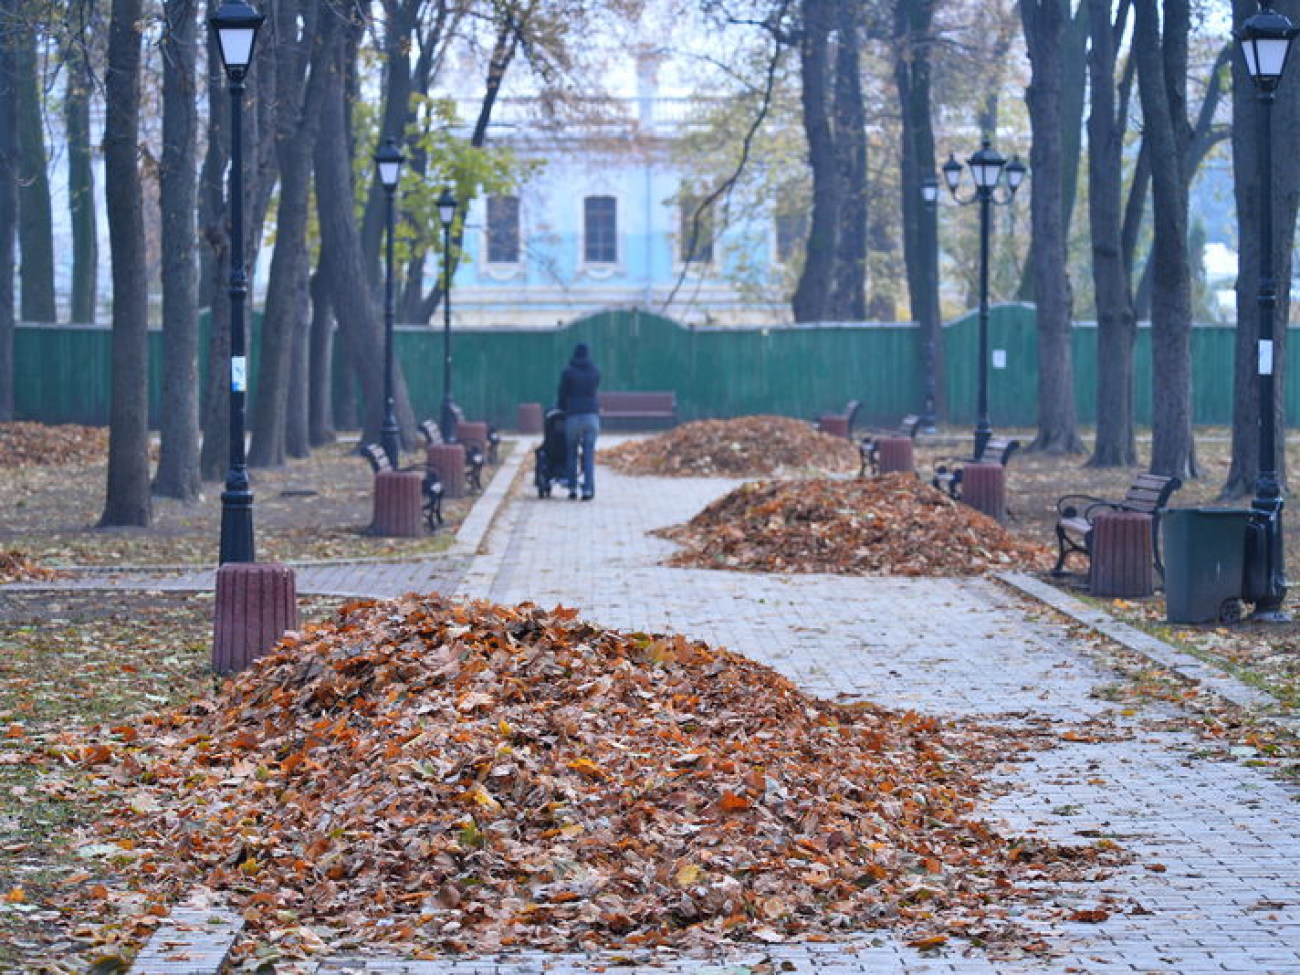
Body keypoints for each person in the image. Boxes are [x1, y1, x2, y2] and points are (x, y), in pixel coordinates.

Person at [556, 342, 600, 500]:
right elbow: (595, 389)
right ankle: (588, 489)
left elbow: (562, 393)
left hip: (573, 415)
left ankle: (572, 488)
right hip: (591, 416)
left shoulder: (568, 372)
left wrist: (561, 407)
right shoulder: (595, 371)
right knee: (588, 454)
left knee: (571, 452)